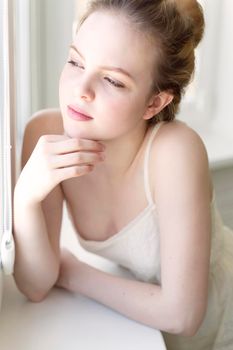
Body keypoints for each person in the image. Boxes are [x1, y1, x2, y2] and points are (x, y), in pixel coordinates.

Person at [13, 0, 233, 349]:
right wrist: (25, 198)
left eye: (113, 80)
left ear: (154, 103)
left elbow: (184, 315)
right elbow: (36, 285)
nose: (80, 89)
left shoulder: (175, 150)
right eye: (75, 61)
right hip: (140, 324)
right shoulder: (45, 133)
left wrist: (73, 273)